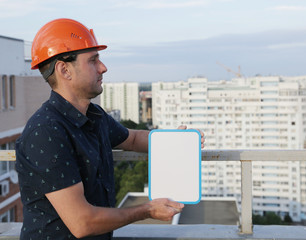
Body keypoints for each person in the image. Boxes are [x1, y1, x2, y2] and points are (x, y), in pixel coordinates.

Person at [15, 18, 205, 240]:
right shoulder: (46, 132)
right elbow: (82, 222)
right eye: (93, 60)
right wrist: (147, 210)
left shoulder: (94, 117)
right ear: (64, 69)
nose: (103, 67)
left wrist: (175, 141)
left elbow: (132, 139)